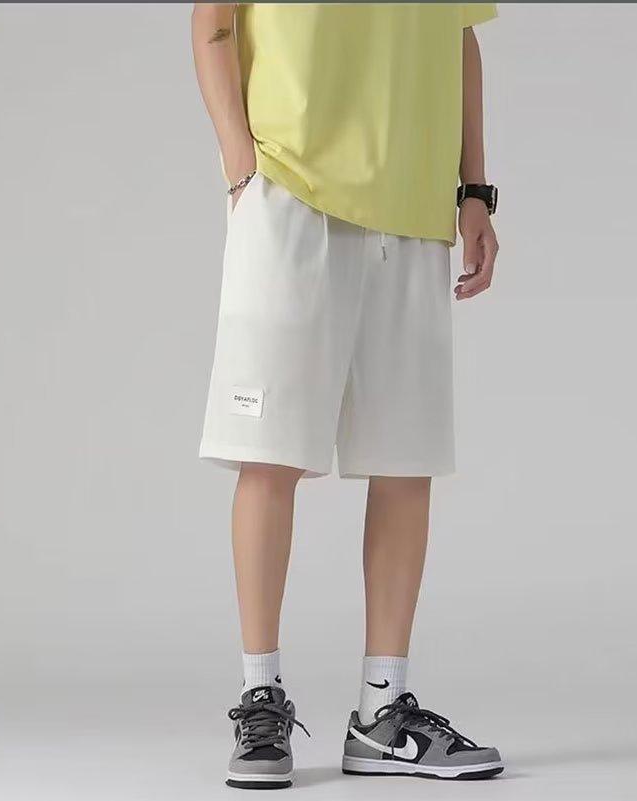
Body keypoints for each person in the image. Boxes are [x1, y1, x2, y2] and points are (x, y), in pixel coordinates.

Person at [192, 2, 501, 789]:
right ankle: (260, 696)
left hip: (414, 205)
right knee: (269, 455)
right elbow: (213, 19)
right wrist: (241, 165)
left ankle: (382, 713)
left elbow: (460, 37)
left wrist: (475, 189)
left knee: (405, 461)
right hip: (290, 188)